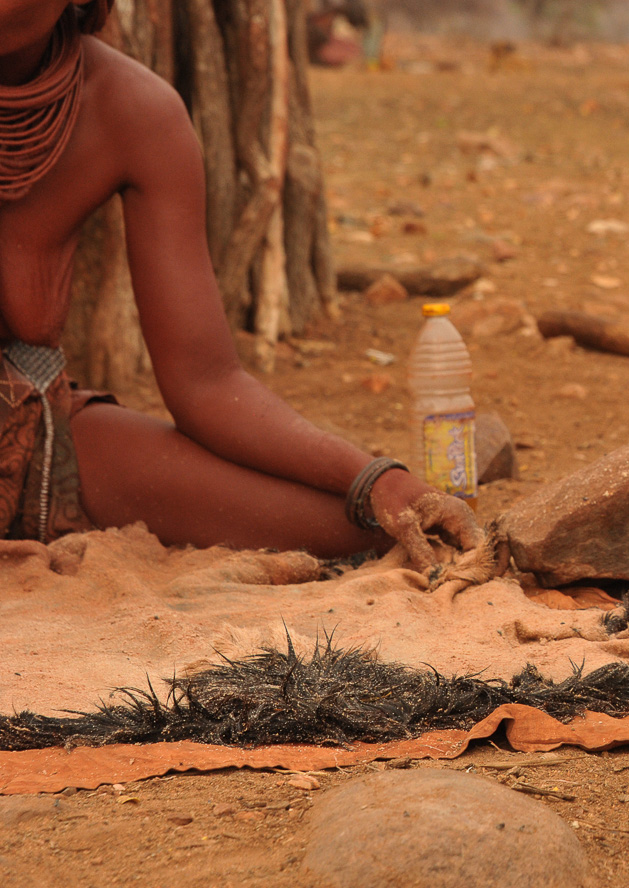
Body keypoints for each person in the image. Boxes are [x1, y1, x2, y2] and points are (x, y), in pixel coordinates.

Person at [0, 0, 480, 568]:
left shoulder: (133, 112)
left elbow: (205, 382)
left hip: (27, 436)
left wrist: (371, 478)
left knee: (368, 533)